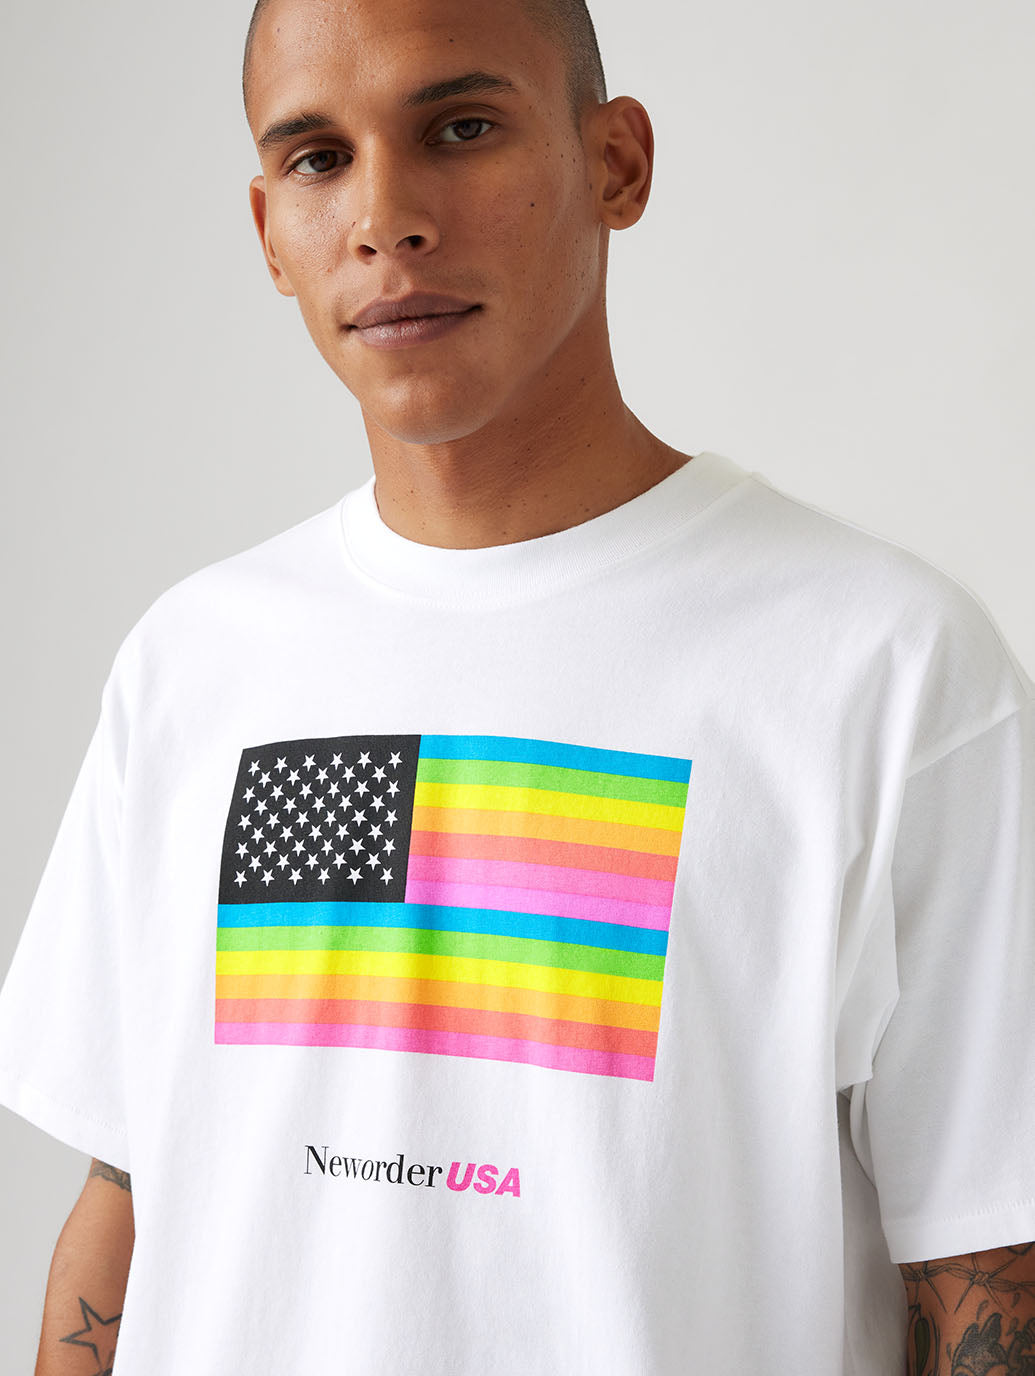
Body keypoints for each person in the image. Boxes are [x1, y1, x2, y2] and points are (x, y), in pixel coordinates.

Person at [1, 0, 1032, 1371]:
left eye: (461, 128)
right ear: (269, 233)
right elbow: (125, 1205)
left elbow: (986, 1274)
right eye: (318, 159)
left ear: (616, 163)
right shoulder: (193, 663)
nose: (386, 219)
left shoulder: (888, 673)